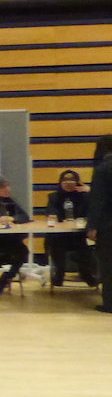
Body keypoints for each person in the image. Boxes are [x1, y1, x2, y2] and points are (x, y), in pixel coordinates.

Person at [44, 169, 98, 287]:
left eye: (72, 179)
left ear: (78, 182)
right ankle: (59, 273)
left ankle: (86, 274)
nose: (68, 182)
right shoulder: (53, 197)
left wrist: (91, 192)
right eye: (65, 180)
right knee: (55, 244)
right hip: (60, 235)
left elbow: (93, 211)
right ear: (61, 182)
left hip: (79, 234)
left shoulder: (84, 197)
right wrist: (53, 215)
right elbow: (51, 212)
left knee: (85, 247)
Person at [85, 134, 112, 313]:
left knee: (108, 265)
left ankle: (109, 303)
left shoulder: (103, 168)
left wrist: (92, 226)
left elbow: (98, 200)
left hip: (108, 224)